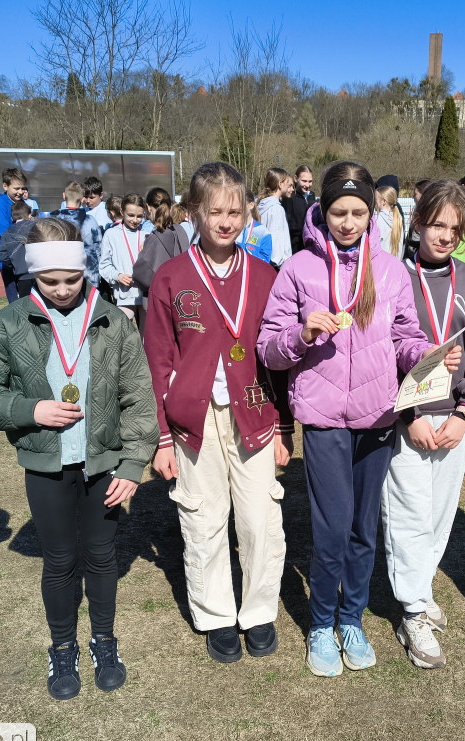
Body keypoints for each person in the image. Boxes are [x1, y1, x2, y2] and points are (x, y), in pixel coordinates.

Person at [257, 161, 462, 678]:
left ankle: (353, 618)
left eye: (358, 212)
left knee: (364, 528)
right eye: (338, 212)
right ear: (321, 213)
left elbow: (404, 337)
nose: (348, 222)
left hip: (376, 418)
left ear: (372, 214)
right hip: (324, 419)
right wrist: (301, 335)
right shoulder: (298, 269)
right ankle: (322, 622)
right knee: (330, 528)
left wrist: (427, 354)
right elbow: (268, 349)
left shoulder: (391, 270)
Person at [0, 217, 158, 699]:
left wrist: (131, 465)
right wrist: (29, 409)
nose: (63, 290)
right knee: (61, 559)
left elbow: (139, 398)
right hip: (46, 466)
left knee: (103, 556)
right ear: (32, 276)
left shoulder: (112, 320)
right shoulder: (9, 322)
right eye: (50, 281)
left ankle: (104, 641)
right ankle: (62, 647)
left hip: (103, 464)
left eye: (72, 279)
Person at [144, 161, 292, 664]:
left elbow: (279, 362)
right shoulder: (171, 277)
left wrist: (282, 429)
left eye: (235, 211)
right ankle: (215, 614)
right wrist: (163, 438)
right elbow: (158, 360)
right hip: (194, 420)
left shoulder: (267, 275)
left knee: (259, 519)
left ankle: (257, 610)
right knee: (204, 520)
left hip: (254, 413)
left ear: (249, 211)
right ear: (193, 213)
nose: (226, 222)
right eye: (215, 212)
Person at [381, 179, 465, 669]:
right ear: (419, 222)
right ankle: (411, 609)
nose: (445, 235)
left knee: (439, 514)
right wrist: (409, 415)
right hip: (407, 423)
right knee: (408, 513)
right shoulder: (392, 278)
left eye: (455, 227)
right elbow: (381, 355)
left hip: (454, 421)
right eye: (437, 224)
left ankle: (420, 590)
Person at [131, 192, 192, 297]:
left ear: (148, 208)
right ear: (171, 208)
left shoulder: (154, 239)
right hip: (180, 294)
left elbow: (141, 276)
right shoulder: (180, 230)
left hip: (158, 296)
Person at [99, 193, 147, 326]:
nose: (135, 220)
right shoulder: (111, 234)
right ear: (122, 212)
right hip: (124, 296)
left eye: (139, 216)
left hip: (145, 296)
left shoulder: (147, 234)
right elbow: (104, 265)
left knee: (146, 340)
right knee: (124, 336)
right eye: (131, 215)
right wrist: (118, 276)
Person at [49, 181, 103, 290]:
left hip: (61, 274)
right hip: (88, 274)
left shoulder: (52, 219)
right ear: (83, 199)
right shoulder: (90, 221)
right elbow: (98, 248)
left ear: (64, 196)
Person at [0, 167, 28, 302]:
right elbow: (4, 231)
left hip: (23, 258)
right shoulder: (1, 203)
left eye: (22, 188)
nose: (20, 192)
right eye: (16, 188)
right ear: (5, 186)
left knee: (27, 295)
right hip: (8, 258)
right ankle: (15, 321)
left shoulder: (22, 203)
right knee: (13, 297)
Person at [258, 168, 294, 267]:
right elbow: (276, 242)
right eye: (289, 185)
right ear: (280, 184)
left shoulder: (262, 206)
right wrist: (280, 265)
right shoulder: (276, 209)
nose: (292, 189)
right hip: (274, 267)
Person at [3, 200, 38, 298]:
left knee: (25, 305)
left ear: (12, 217)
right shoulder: (38, 228)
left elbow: (3, 256)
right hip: (39, 273)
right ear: (29, 215)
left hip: (21, 275)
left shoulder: (7, 233)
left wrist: (15, 265)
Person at [283, 165, 316, 253]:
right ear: (296, 178)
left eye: (310, 181)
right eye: (304, 181)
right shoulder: (289, 197)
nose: (307, 185)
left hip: (310, 243)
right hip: (294, 245)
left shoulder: (311, 195)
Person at [238, 189, 273, 263]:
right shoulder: (231, 228)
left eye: (241, 204)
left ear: (251, 205)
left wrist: (248, 251)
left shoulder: (263, 232)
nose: (237, 208)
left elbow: (266, 261)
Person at [376, 186, 404, 258]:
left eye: (376, 199)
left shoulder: (379, 218)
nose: (375, 202)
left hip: (381, 263)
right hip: (395, 262)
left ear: (384, 201)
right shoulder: (398, 218)